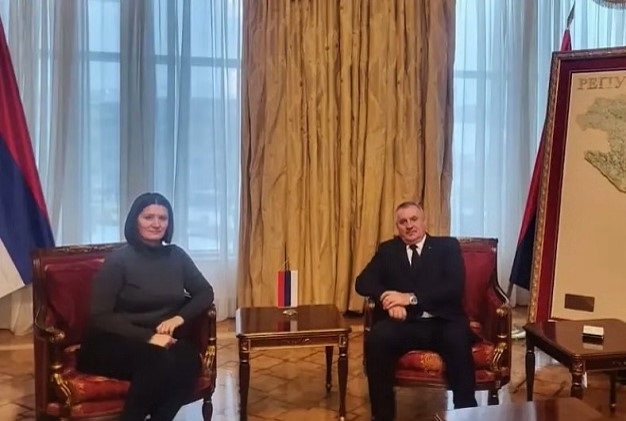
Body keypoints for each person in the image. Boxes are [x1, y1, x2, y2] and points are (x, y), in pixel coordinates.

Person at [77, 192, 214, 421]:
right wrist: (149, 337)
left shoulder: (176, 256)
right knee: (157, 360)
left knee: (189, 359)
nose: (156, 223)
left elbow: (205, 292)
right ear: (135, 220)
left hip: (159, 342)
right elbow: (99, 315)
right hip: (110, 342)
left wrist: (178, 318)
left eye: (163, 218)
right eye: (148, 217)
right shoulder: (118, 260)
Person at [355, 201, 477, 421]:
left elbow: (453, 287)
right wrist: (388, 299)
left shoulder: (447, 247)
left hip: (442, 322)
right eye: (403, 222)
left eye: (414, 219)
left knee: (458, 339)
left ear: (424, 221)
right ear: (397, 227)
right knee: (377, 338)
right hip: (405, 324)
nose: (409, 225)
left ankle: (466, 414)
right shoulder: (388, 250)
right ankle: (382, 416)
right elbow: (362, 282)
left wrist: (410, 298)